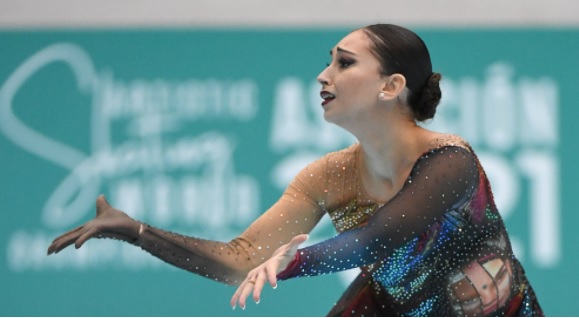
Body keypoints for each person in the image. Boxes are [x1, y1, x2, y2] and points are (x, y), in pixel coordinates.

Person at [47, 24, 543, 316]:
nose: (323, 75)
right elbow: (241, 260)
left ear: (391, 86)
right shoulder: (326, 178)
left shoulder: (451, 163)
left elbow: (376, 239)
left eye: (344, 64)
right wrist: (137, 231)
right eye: (328, 62)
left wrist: (293, 261)